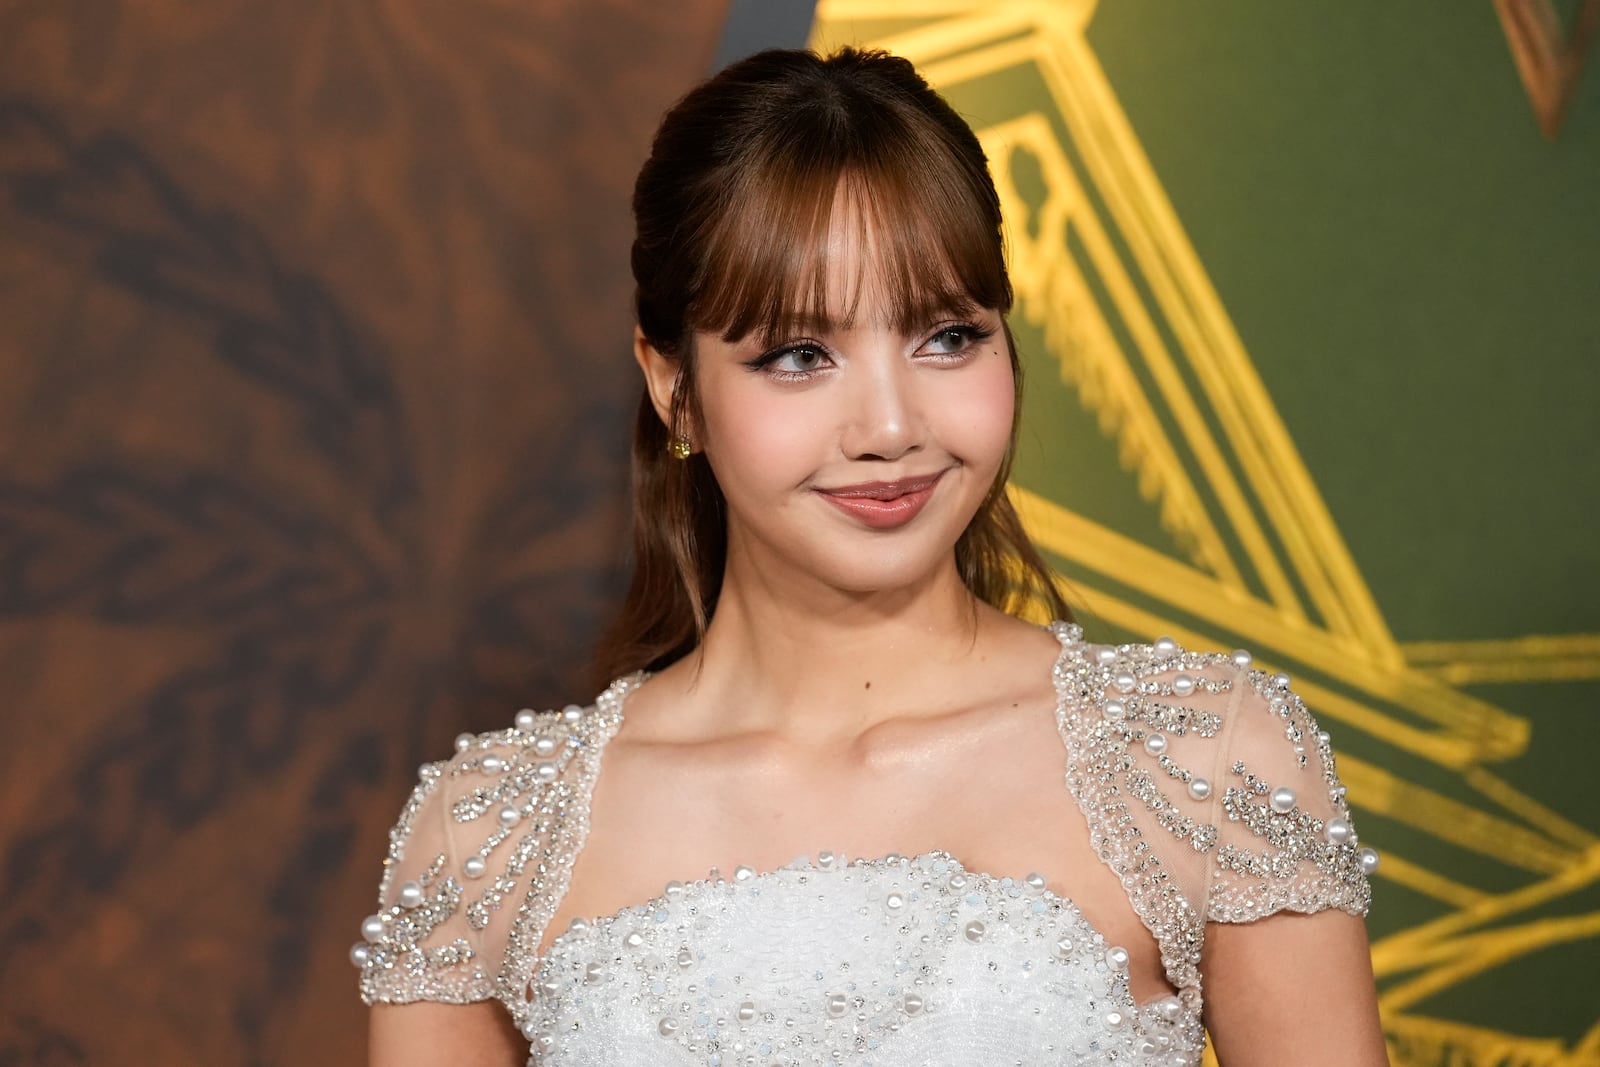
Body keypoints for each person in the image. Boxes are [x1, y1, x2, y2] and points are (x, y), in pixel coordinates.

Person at [353, 47, 1388, 1067]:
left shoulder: (1205, 760)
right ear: (673, 386)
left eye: (947, 336)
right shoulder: (487, 834)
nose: (891, 426)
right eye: (798, 356)